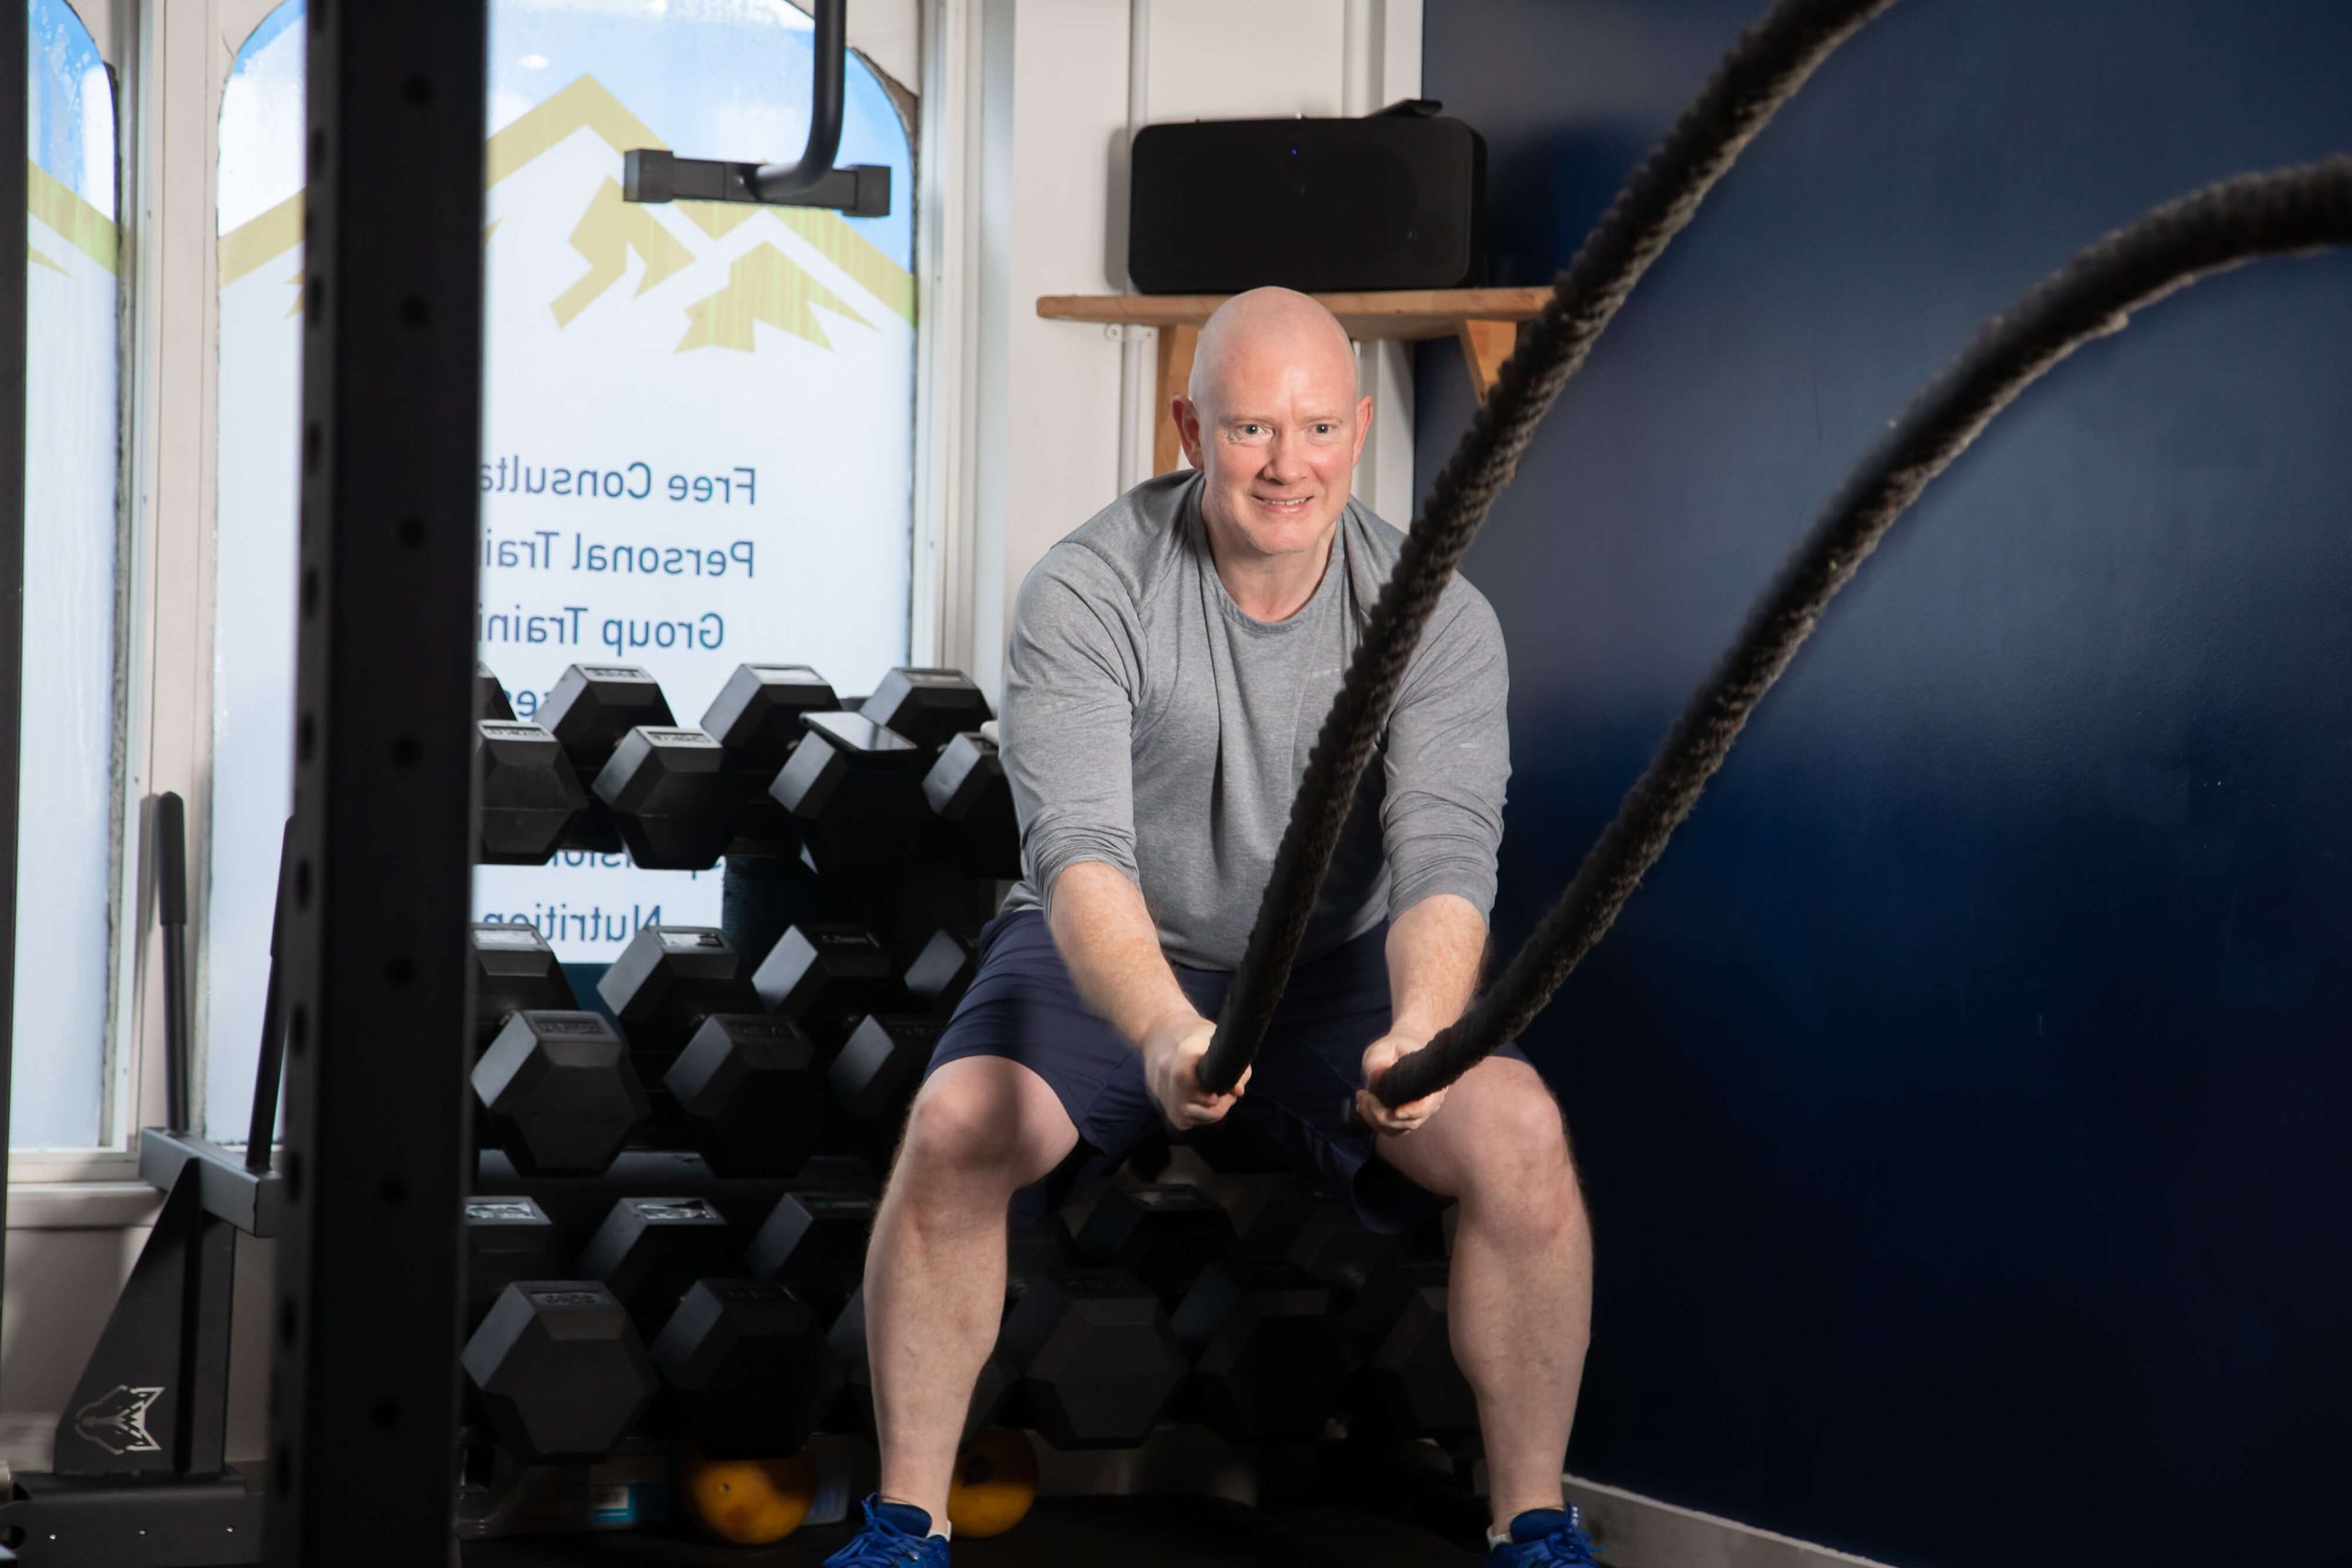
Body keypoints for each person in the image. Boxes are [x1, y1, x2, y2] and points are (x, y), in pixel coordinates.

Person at [825, 288, 1595, 1567]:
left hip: (1344, 961)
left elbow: (1446, 854)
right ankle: (906, 1524)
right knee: (959, 1128)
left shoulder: (1437, 617)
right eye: (1248, 430)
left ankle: (1536, 1526)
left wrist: (1421, 1027)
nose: (1285, 465)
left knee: (1523, 1139)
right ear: (1190, 427)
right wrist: (1166, 1032)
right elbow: (1078, 855)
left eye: (1312, 430)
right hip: (1128, 945)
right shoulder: (1087, 589)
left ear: (1358, 430)